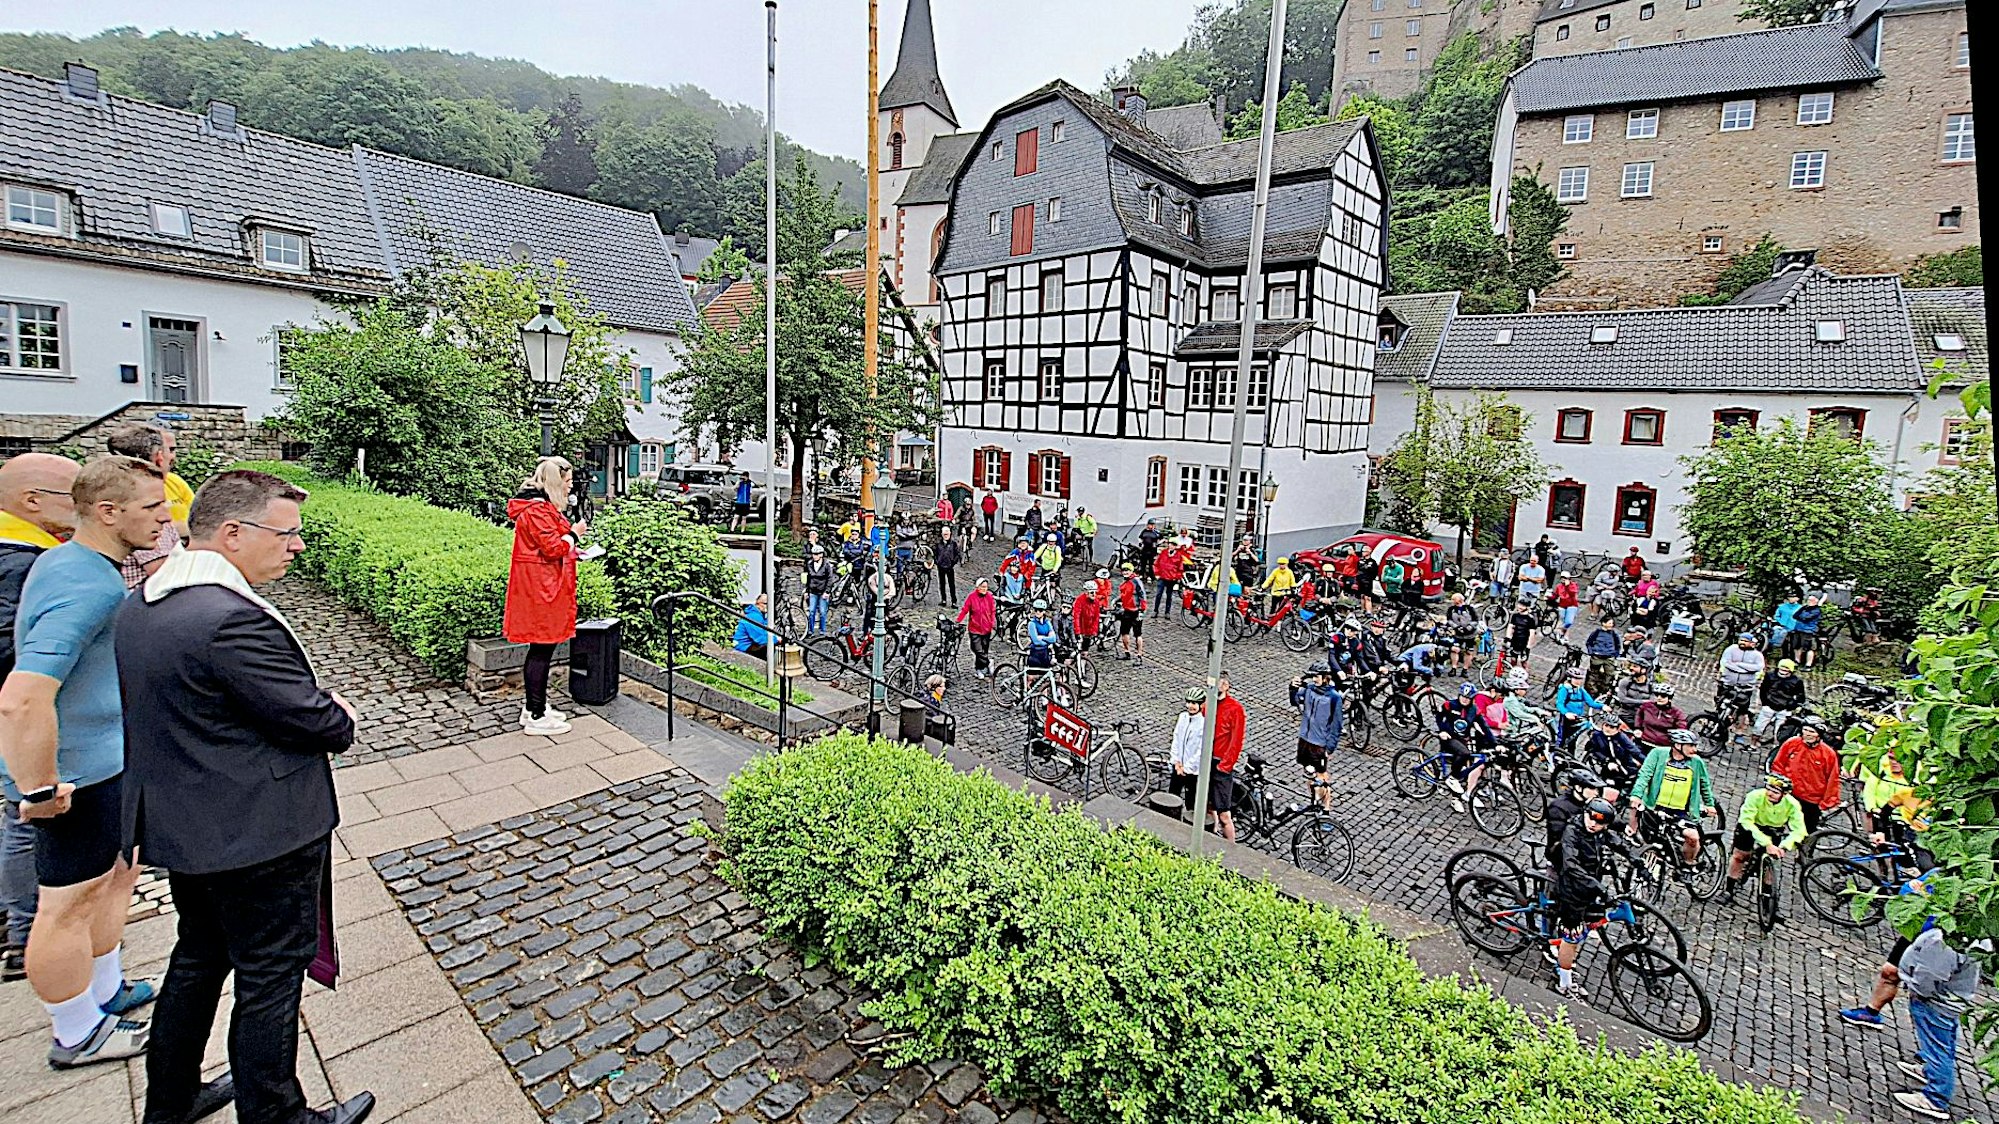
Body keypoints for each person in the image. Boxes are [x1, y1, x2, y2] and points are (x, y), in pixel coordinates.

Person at [118, 469, 373, 1124]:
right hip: (257, 831)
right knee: (270, 974)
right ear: (232, 533)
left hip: (190, 825)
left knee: (198, 959)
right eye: (286, 533)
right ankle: (277, 1115)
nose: (297, 546)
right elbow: (314, 720)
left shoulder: (147, 601)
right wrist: (338, 712)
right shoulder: (229, 620)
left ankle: (171, 1101)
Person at [0, 455, 170, 1071]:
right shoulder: (87, 583)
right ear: (107, 512)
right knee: (66, 906)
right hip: (77, 776)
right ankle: (76, 1033)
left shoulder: (77, 563)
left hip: (107, 763)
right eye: (152, 507)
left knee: (114, 878)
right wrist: (40, 788)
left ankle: (105, 988)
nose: (166, 517)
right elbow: (23, 694)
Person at [0, 453, 79, 984]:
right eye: (74, 496)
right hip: (29, 719)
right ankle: (27, 935)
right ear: (32, 502)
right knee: (28, 814)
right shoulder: (19, 564)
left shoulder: (31, 553)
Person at [505, 458, 585, 736]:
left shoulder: (537, 507)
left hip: (541, 586)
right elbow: (552, 548)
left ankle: (533, 707)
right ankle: (536, 715)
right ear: (555, 481)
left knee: (541, 649)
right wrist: (574, 535)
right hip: (540, 589)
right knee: (541, 650)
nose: (570, 486)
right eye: (567, 481)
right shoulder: (537, 510)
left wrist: (572, 547)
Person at [1890, 926, 1981, 1119]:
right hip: (1950, 1001)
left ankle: (1935, 1098)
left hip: (1936, 1003)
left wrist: (1917, 991)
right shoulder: (1978, 936)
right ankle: (1929, 1071)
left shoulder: (1950, 941)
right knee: (1944, 1043)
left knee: (1937, 1048)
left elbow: (1930, 974)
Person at [105, 423, 195, 589]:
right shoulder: (142, 506)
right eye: (169, 450)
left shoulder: (111, 493)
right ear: (159, 457)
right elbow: (164, 574)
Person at [1552, 798, 1620, 999]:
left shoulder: (1600, 832)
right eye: (1590, 818)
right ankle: (1564, 984)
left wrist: (1637, 861)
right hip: (1572, 891)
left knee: (1582, 930)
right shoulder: (1572, 832)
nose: (1593, 824)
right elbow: (1571, 866)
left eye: (1599, 823)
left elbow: (1618, 843)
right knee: (1571, 938)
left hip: (1587, 889)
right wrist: (1597, 886)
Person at [1628, 729, 1720, 868]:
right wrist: (1636, 795)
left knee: (1692, 837)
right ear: (1677, 745)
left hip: (1681, 811)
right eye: (1691, 745)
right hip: (1656, 807)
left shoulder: (1697, 762)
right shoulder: (1658, 754)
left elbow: (1704, 784)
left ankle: (1689, 864)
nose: (1695, 750)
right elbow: (1644, 775)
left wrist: (1709, 804)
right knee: (1652, 841)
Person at [1719, 774, 1807, 910]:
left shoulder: (1792, 805)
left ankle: (1767, 900)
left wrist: (1784, 846)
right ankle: (1728, 890)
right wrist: (1767, 843)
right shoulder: (1754, 796)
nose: (1770, 794)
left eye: (1775, 792)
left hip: (1773, 829)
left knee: (1770, 863)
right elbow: (1746, 821)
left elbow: (1799, 830)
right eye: (1768, 789)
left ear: (1784, 795)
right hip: (1751, 825)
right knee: (1740, 856)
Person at [1771, 720, 1841, 833]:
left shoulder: (1828, 754)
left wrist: (1827, 802)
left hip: (1811, 800)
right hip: (1788, 793)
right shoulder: (1792, 743)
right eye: (1805, 730)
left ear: (1819, 735)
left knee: (1807, 833)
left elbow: (1832, 779)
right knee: (1774, 826)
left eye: (1812, 732)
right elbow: (1778, 764)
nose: (1807, 734)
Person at [1290, 662, 1342, 812]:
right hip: (1305, 739)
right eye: (1312, 676)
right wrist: (1292, 688)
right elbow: (1294, 701)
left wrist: (1329, 748)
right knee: (1309, 773)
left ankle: (1326, 808)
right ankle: (1314, 802)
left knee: (1321, 777)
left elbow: (1337, 725)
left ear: (1325, 677)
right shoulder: (1309, 690)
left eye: (1316, 676)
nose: (1314, 679)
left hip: (1319, 744)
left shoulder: (1334, 697)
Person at [1210, 673, 1246, 843]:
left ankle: (1231, 847)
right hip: (1206, 761)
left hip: (1221, 764)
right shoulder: (1208, 704)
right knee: (1207, 807)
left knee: (1224, 814)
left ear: (1226, 686)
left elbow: (1236, 741)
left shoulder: (1235, 709)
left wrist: (1225, 765)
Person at [1169, 688, 1206, 816]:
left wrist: (1187, 767)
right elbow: (1176, 738)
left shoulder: (1203, 724)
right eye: (1189, 702)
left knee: (1191, 801)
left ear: (1201, 705)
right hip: (1178, 766)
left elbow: (1201, 750)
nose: (1190, 706)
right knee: (1172, 797)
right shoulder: (1183, 717)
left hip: (1192, 770)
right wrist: (1176, 761)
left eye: (1194, 703)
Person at [1755, 658, 1808, 742]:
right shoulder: (1770, 676)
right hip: (1769, 706)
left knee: (1780, 732)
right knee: (1758, 727)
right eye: (1782, 668)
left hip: (1784, 710)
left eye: (1786, 669)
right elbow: (1763, 690)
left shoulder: (1797, 681)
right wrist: (1765, 703)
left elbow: (1801, 697)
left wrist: (1791, 706)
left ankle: (1776, 746)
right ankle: (1753, 744)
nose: (1783, 671)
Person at [956, 577, 998, 678]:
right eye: (982, 587)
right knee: (976, 649)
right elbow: (965, 609)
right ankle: (988, 662)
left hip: (986, 629)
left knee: (984, 650)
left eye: (986, 587)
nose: (984, 589)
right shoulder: (971, 597)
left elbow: (992, 611)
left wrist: (992, 623)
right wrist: (958, 620)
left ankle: (980, 669)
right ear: (977, 587)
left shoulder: (989, 597)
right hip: (974, 629)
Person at [1551, 667, 1601, 751]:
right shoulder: (1565, 689)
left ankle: (1570, 756)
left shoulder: (1580, 689)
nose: (1578, 681)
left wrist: (1602, 706)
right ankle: (1556, 754)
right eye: (1576, 679)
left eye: (1580, 679)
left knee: (1573, 741)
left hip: (1577, 717)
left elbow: (1591, 703)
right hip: (1566, 719)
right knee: (1562, 739)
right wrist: (1566, 713)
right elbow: (1559, 704)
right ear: (1569, 678)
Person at [1632, 683, 1688, 749]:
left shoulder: (1677, 713)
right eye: (1657, 695)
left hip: (1663, 747)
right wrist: (1638, 728)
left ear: (1669, 698)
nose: (1659, 698)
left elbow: (1681, 729)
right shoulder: (1647, 706)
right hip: (1644, 742)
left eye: (1663, 696)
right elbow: (1639, 715)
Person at [1582, 615, 1622, 698]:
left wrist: (1615, 654)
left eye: (1612, 623)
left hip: (1609, 658)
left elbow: (1618, 645)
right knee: (1593, 675)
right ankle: (1592, 692)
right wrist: (1592, 652)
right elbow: (1589, 642)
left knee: (1609, 675)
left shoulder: (1613, 634)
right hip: (1597, 657)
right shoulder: (1597, 632)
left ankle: (1603, 692)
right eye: (1610, 623)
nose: (1611, 625)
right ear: (1603, 623)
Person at [1113, 563, 1146, 661]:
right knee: (1124, 632)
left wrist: (1142, 610)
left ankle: (1139, 655)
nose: (1125, 572)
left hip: (1136, 611)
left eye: (1127, 570)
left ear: (1132, 571)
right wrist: (1116, 600)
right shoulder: (1126, 582)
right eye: (1124, 570)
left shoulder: (1136, 581)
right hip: (1127, 610)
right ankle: (1127, 653)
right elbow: (1124, 595)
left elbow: (1142, 595)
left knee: (1137, 634)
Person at [1151, 536, 1188, 621]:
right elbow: (1156, 564)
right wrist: (1157, 574)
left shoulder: (1178, 556)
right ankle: (1155, 610)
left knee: (1169, 596)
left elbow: (1180, 569)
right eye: (1170, 544)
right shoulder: (1163, 553)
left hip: (1171, 579)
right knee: (1158, 594)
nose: (1171, 546)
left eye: (1173, 545)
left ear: (1176, 546)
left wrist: (1176, 577)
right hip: (1162, 577)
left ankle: (1167, 612)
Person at [803, 546, 835, 634]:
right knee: (811, 611)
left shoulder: (827, 565)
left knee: (822, 612)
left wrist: (827, 592)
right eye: (813, 554)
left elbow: (830, 579)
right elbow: (808, 578)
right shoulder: (809, 564)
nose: (815, 556)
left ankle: (822, 630)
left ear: (821, 555)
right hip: (813, 590)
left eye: (816, 554)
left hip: (823, 591)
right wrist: (806, 591)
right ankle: (811, 630)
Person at [732, 594, 771, 659]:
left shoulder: (760, 616)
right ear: (757, 603)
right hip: (742, 651)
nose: (768, 606)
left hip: (747, 648)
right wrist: (777, 639)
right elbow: (760, 639)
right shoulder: (754, 616)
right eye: (765, 603)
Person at [1024, 599, 1059, 669]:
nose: (1037, 612)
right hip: (1035, 653)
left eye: (1040, 610)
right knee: (1034, 674)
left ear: (1044, 611)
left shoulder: (1047, 623)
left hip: (1045, 653)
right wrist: (1048, 641)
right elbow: (1036, 641)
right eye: (1036, 610)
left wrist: (1042, 637)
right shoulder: (1032, 623)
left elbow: (1053, 639)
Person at [1792, 593, 1824, 668]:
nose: (1809, 601)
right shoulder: (1804, 608)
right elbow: (1795, 615)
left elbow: (1806, 618)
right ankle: (1797, 661)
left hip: (1808, 631)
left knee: (1809, 648)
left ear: (1816, 601)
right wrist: (1801, 613)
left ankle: (1808, 665)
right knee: (1797, 646)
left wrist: (1801, 616)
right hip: (1798, 629)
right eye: (1808, 600)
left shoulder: (1816, 610)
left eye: (1811, 600)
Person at [932, 525, 962, 607]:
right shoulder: (938, 544)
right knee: (942, 584)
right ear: (942, 534)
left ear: (950, 534)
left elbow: (957, 554)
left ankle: (954, 601)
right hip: (941, 566)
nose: (946, 535)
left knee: (951, 584)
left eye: (947, 533)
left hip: (949, 566)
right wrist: (937, 562)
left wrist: (952, 563)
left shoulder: (953, 544)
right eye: (944, 534)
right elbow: (935, 554)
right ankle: (943, 600)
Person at [921, 674, 954, 745]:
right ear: (934, 688)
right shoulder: (930, 702)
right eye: (941, 686)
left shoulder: (934, 698)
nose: (944, 688)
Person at [1069, 582, 1101, 653]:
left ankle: (1084, 657)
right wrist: (1078, 631)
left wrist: (1094, 631)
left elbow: (1096, 617)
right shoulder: (1080, 600)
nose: (1094, 594)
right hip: (1080, 627)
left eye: (1095, 592)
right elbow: (1076, 616)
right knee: (1076, 648)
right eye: (1092, 592)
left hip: (1088, 629)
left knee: (1085, 649)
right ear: (1086, 592)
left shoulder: (1096, 601)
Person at [1550, 572, 1581, 641]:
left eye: (1566, 578)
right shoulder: (1559, 586)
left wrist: (1567, 586)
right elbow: (1556, 595)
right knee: (1562, 620)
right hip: (1562, 605)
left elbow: (1572, 593)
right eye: (1562, 578)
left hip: (1572, 605)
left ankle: (1559, 630)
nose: (1564, 579)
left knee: (1568, 622)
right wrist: (1550, 597)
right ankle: (1565, 635)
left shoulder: (1573, 585)